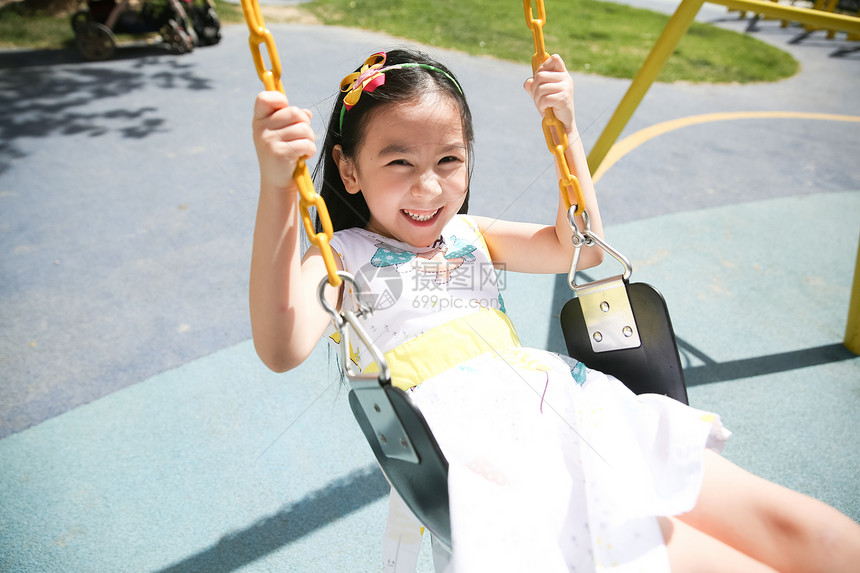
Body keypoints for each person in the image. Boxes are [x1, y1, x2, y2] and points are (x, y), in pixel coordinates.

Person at [249, 48, 860, 572]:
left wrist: (565, 129)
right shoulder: (342, 259)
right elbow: (283, 346)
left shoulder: (470, 234)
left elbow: (581, 246)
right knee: (695, 557)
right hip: (499, 458)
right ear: (349, 169)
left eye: (449, 160)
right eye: (398, 161)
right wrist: (278, 187)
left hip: (579, 410)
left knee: (802, 530)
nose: (428, 187)